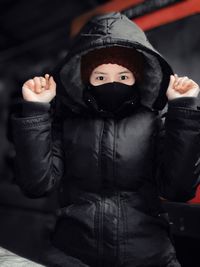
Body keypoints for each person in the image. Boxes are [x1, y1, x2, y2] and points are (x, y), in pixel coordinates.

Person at [10, 12, 200, 267]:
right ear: (85, 81)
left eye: (124, 76)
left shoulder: (156, 124)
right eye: (100, 77)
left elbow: (179, 189)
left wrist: (183, 111)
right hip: (72, 255)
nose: (112, 83)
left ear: (137, 80)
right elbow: (36, 186)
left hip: (150, 257)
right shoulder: (67, 125)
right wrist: (36, 110)